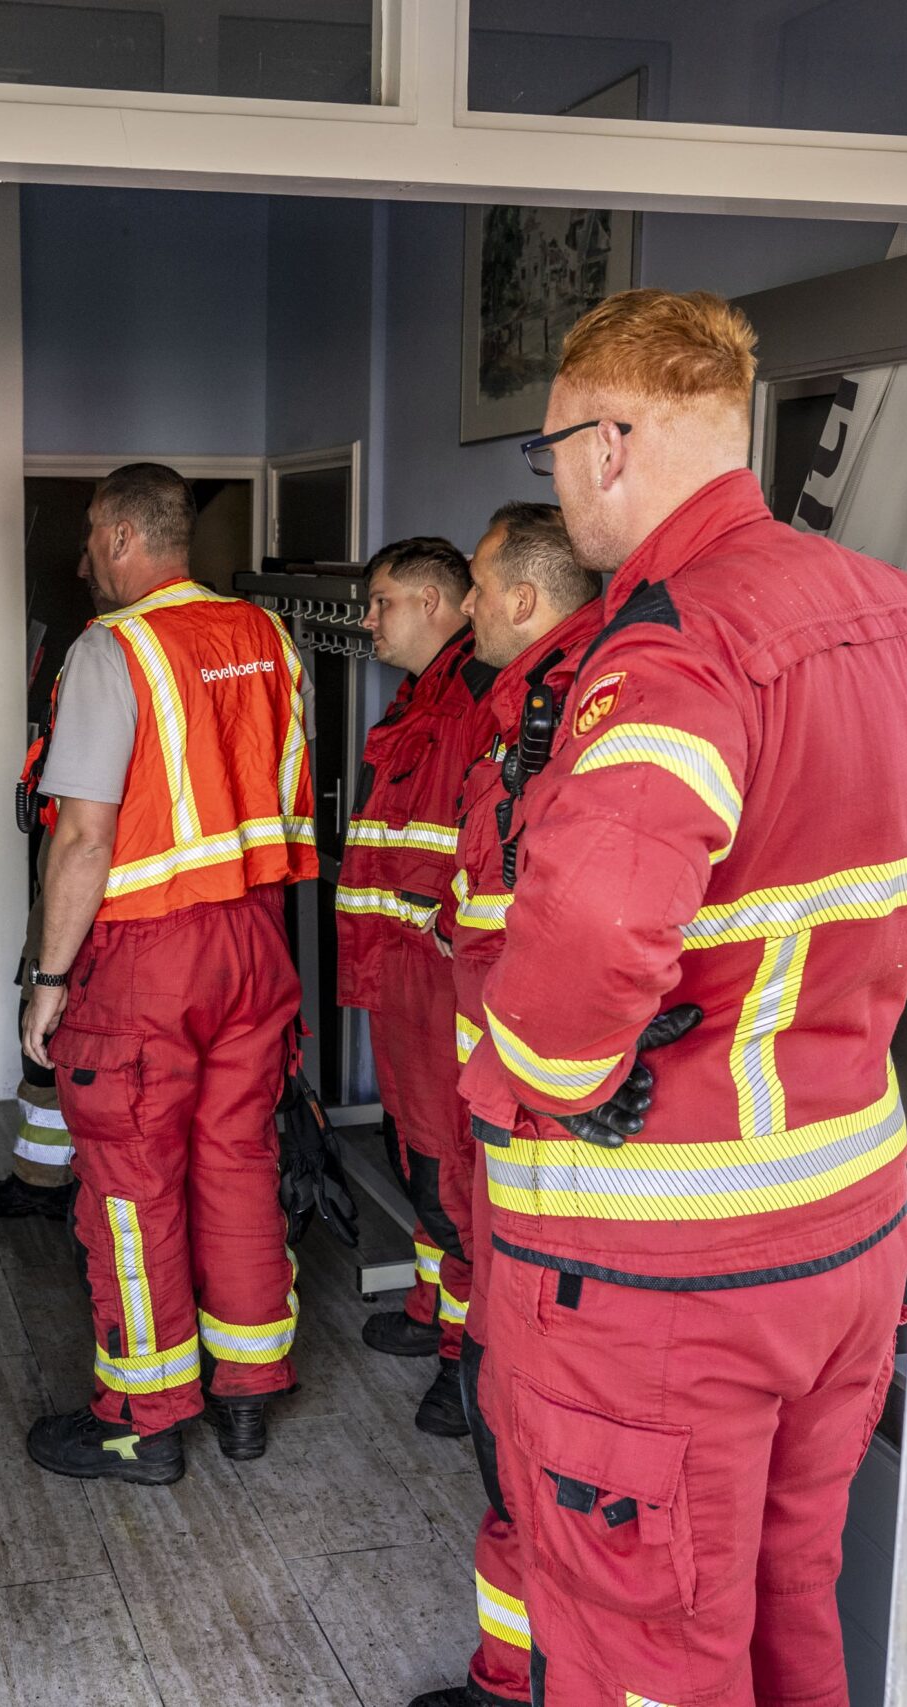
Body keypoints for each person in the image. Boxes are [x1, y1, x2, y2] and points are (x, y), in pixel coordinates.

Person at [464, 290, 907, 1707]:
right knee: (786, 1605)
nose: (556, 479)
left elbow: (598, 931)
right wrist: (785, 982)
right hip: (849, 1232)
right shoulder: (902, 612)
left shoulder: (673, 642)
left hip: (667, 1265)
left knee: (644, 1651)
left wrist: (546, 1078)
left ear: (611, 441)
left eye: (553, 448)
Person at [18, 462, 317, 1485]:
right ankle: (246, 1392)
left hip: (149, 954)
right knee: (236, 1165)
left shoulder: (117, 648)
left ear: (118, 535)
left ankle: (143, 1419)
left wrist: (48, 979)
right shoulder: (266, 637)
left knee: (133, 1185)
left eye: (93, 539)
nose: (87, 559)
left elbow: (86, 835)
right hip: (255, 941)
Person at [413, 501, 598, 1707]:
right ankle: (511, 1671)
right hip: (512, 1108)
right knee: (506, 1399)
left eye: (476, 589)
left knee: (533, 1416)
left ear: (524, 598)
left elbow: (563, 929)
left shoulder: (573, 713)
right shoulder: (519, 710)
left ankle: (522, 1677)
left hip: (553, 1130)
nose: (464, 609)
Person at [337, 535, 497, 1441]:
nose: (368, 620)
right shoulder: (422, 694)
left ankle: (464, 1366)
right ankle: (436, 1309)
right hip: (403, 981)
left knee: (452, 1177)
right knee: (417, 1160)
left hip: (443, 985)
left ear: (437, 604)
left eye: (382, 602)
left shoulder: (478, 699)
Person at [0, 669, 78, 1222]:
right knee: (39, 1055)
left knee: (48, 1054)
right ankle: (39, 1177)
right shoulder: (68, 742)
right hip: (53, 921)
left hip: (76, 932)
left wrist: (49, 976)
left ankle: (48, 1183)